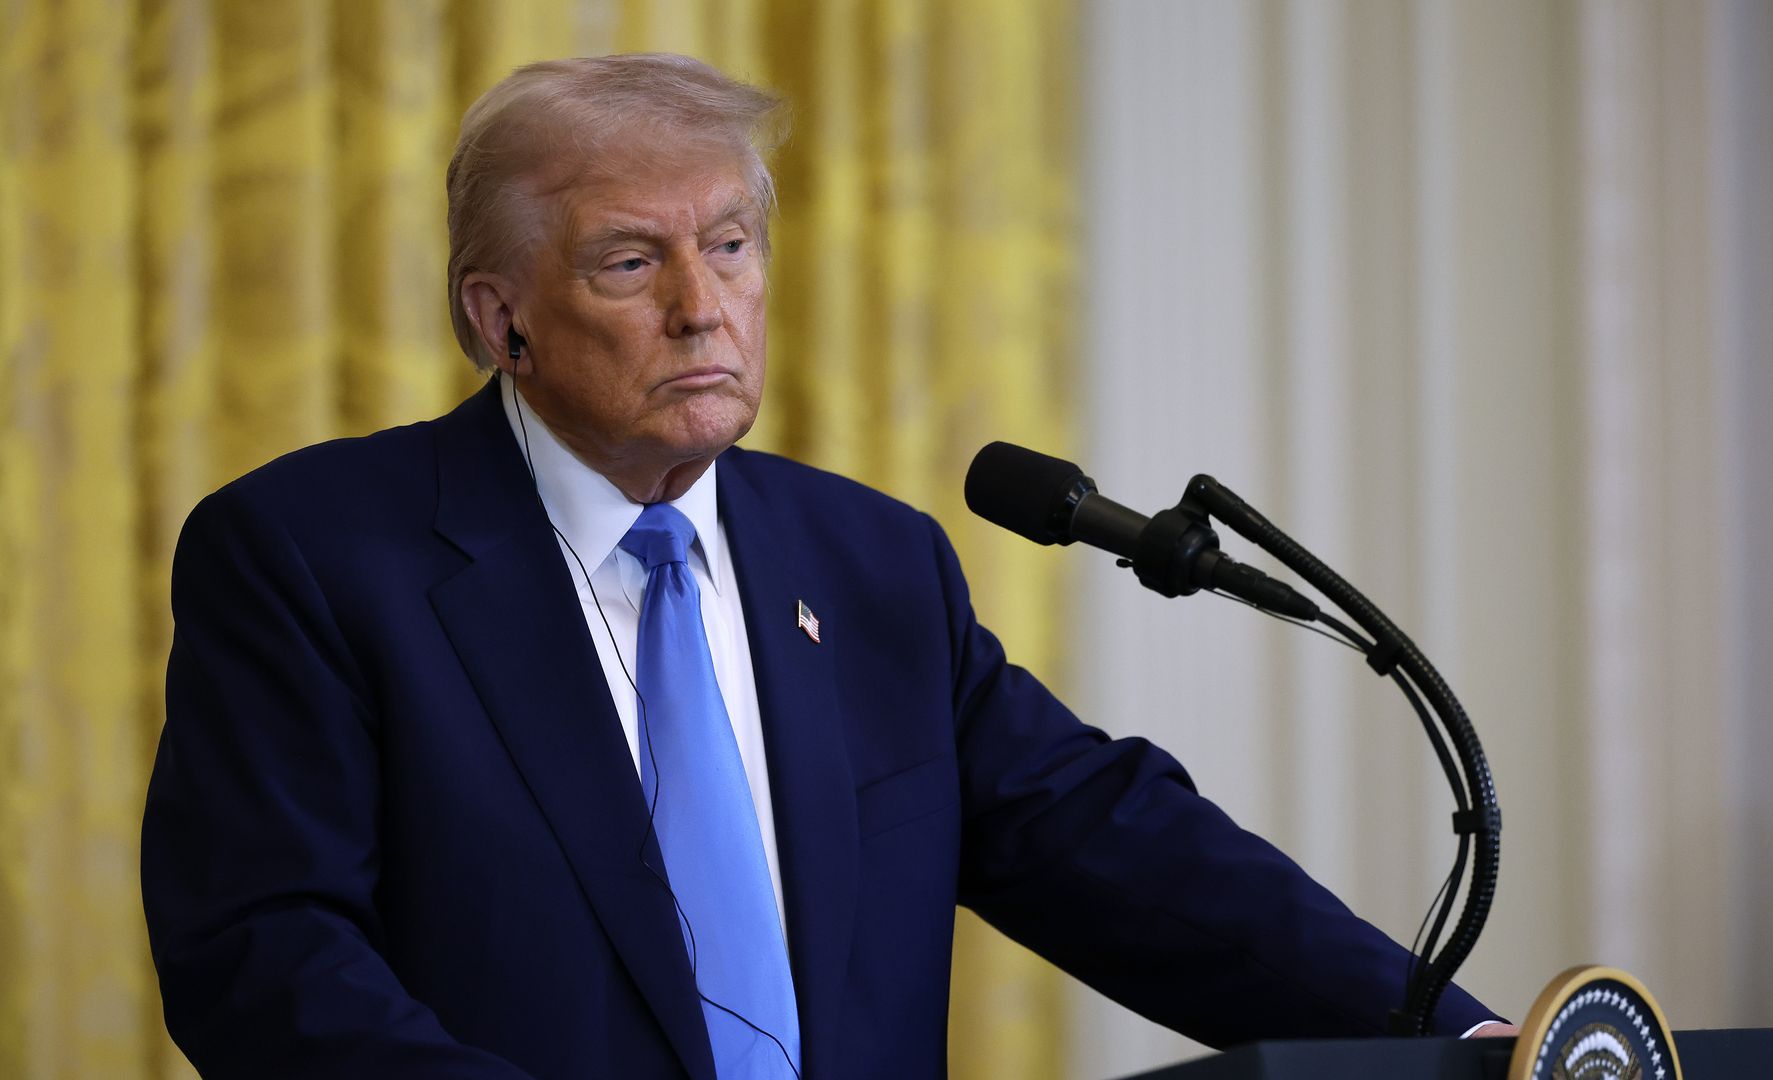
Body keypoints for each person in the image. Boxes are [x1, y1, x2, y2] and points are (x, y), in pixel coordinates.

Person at [141, 53, 1507, 1080]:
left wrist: (1453, 1044)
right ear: (500, 319)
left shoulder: (867, 563)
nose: (702, 304)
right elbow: (267, 961)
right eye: (631, 261)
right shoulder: (315, 557)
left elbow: (1106, 843)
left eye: (731, 246)